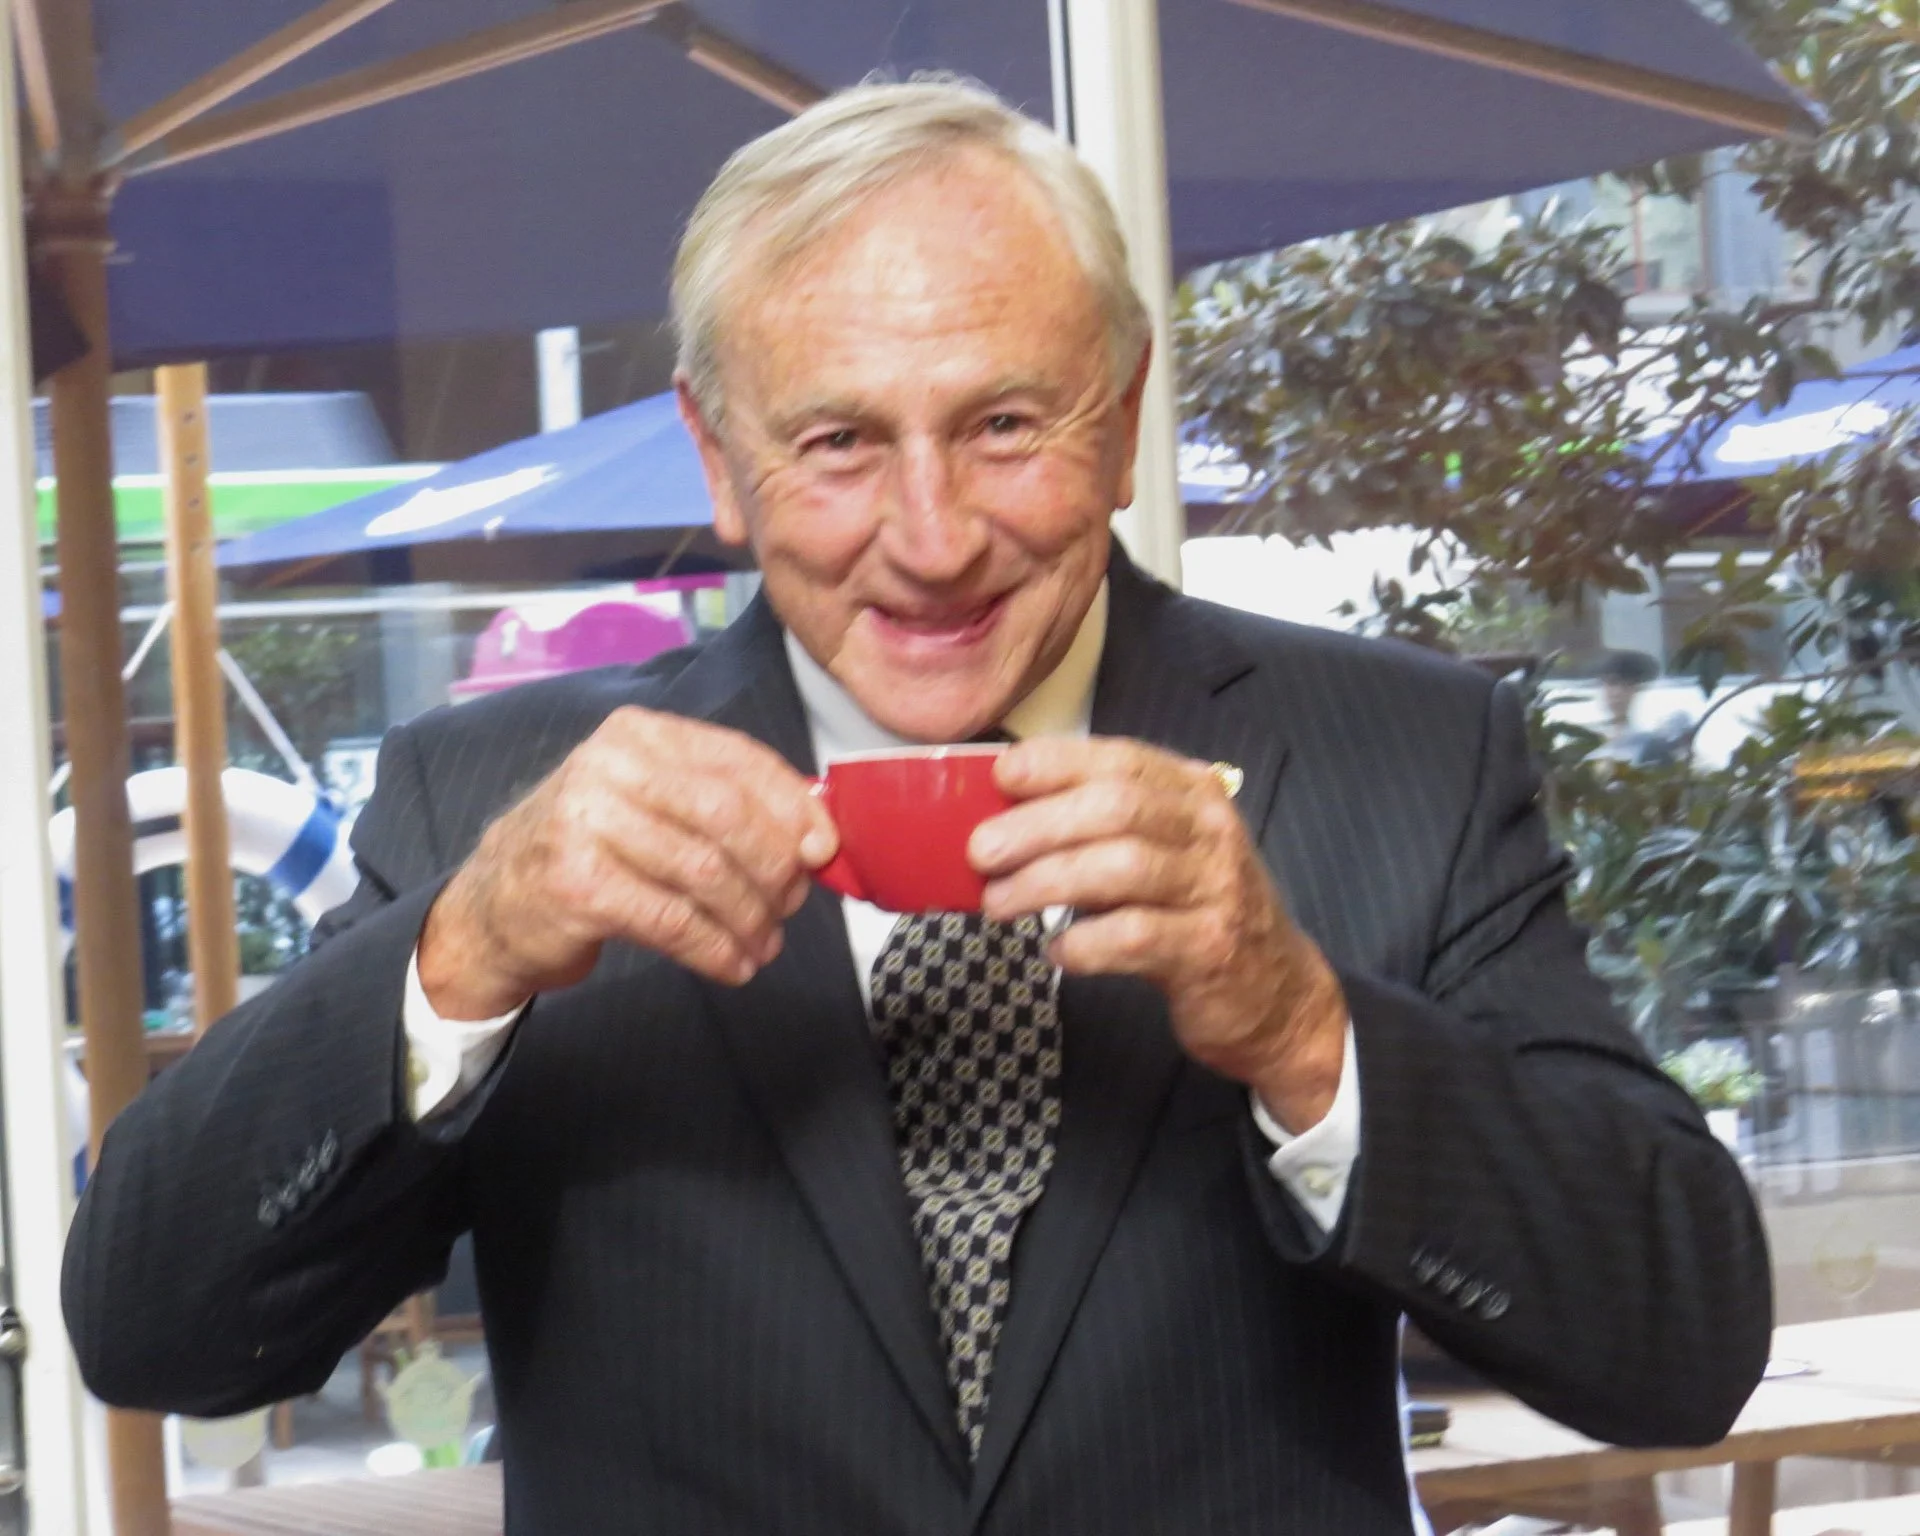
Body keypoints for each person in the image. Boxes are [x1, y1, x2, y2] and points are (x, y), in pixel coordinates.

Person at [63, 79, 1771, 1534]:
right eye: (838, 443)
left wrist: (1305, 1026)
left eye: (1006, 423)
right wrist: (459, 957)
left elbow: (1679, 1345)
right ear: (721, 461)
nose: (935, 534)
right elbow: (152, 1331)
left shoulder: (1407, 753)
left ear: (1122, 414)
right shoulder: (495, 799)